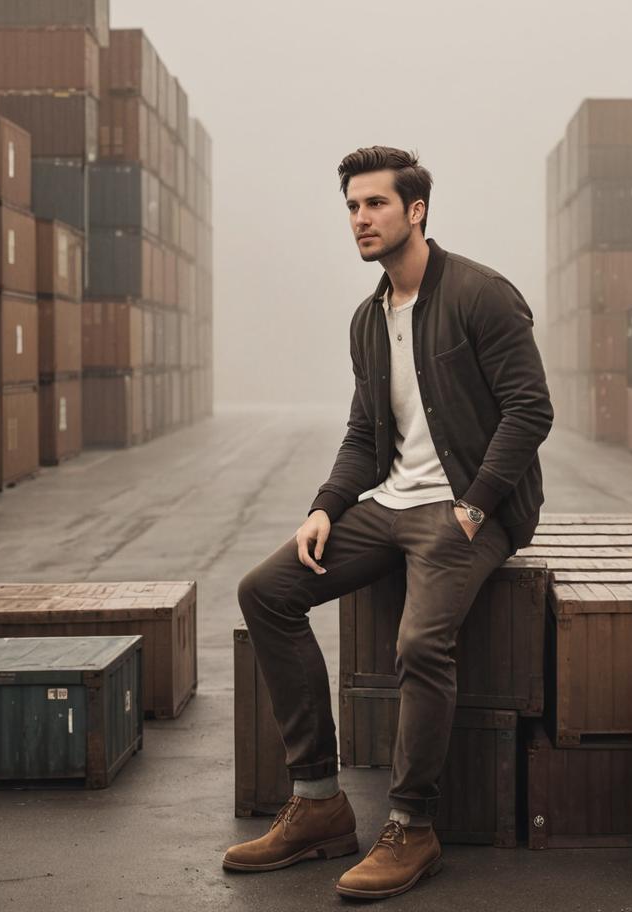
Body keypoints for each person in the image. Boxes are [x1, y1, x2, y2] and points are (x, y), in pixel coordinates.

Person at [225, 146, 553, 899]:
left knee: (419, 639)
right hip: (390, 506)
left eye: (375, 204)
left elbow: (531, 409)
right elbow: (363, 437)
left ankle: (412, 825)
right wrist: (324, 508)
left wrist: (474, 504)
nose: (360, 219)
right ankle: (317, 805)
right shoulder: (366, 320)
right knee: (265, 590)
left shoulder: (481, 295)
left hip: (471, 512)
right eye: (351, 206)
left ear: (416, 210)